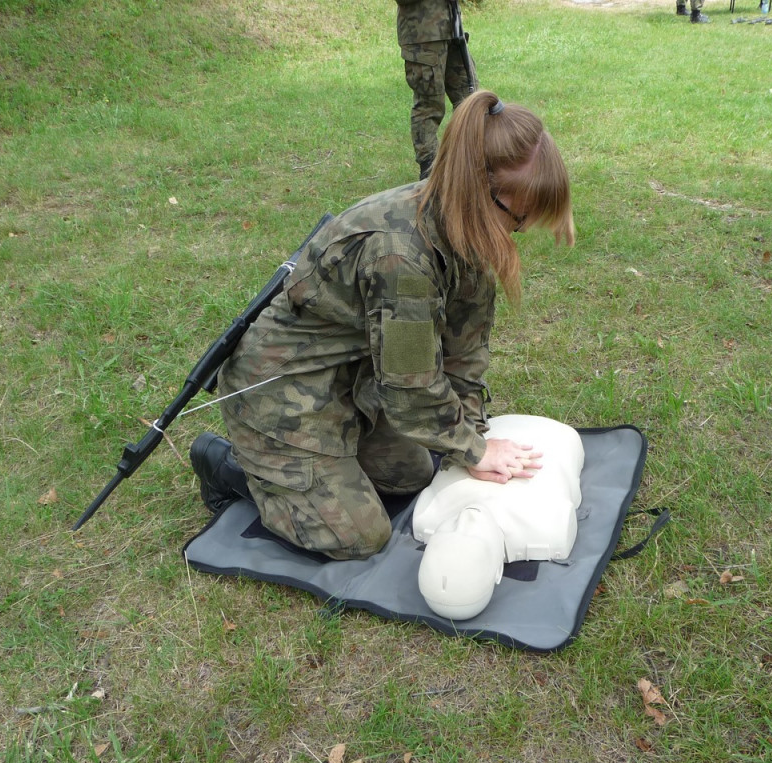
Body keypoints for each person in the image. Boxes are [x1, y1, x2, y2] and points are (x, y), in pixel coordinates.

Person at [190, 90, 575, 561]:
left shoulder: (464, 228)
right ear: (480, 191)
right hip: (282, 391)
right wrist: (474, 452)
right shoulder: (401, 257)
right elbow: (412, 389)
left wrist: (473, 436)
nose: (517, 232)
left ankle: (328, 461)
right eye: (518, 218)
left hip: (351, 382)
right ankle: (232, 465)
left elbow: (463, 356)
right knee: (359, 536)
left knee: (412, 475)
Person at [396, 0, 478, 179]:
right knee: (429, 104)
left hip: (452, 29)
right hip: (422, 37)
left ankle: (467, 166)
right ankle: (429, 176)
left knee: (470, 98)